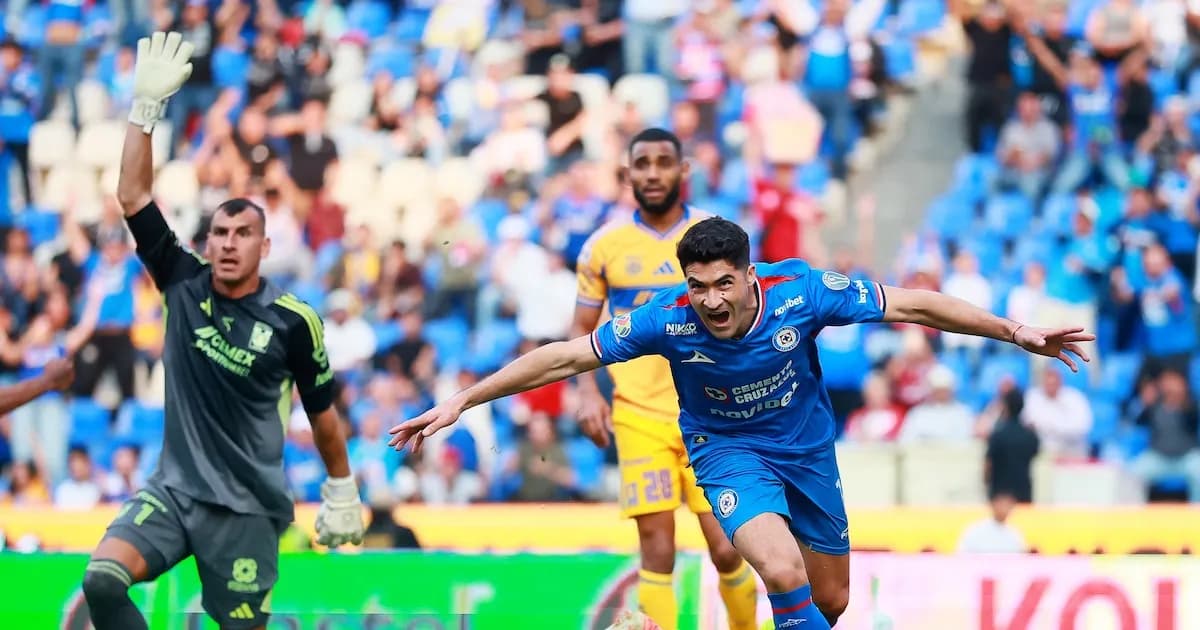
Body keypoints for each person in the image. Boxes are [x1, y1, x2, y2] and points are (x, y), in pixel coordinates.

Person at [390, 217, 1093, 629]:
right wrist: (463, 401)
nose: (712, 301)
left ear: (750, 275)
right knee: (779, 569)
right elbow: (565, 356)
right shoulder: (665, 319)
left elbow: (913, 304)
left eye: (724, 283)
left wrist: (1014, 331)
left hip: (807, 452)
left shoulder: (802, 292)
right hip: (726, 452)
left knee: (830, 600)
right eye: (698, 287)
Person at [82, 32, 364, 630]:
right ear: (206, 242)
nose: (229, 244)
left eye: (243, 235)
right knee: (102, 579)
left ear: (266, 246)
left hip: (246, 509)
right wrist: (145, 111)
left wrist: (342, 489)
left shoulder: (293, 320)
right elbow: (132, 195)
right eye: (220, 234)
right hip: (174, 492)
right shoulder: (181, 281)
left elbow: (322, 414)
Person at [572, 128, 757, 630]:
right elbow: (581, 330)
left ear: (683, 170)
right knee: (656, 547)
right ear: (627, 174)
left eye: (663, 162)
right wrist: (587, 391)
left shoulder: (713, 236)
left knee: (728, 544)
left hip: (712, 413)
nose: (653, 173)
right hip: (638, 416)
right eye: (643, 164)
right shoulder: (603, 247)